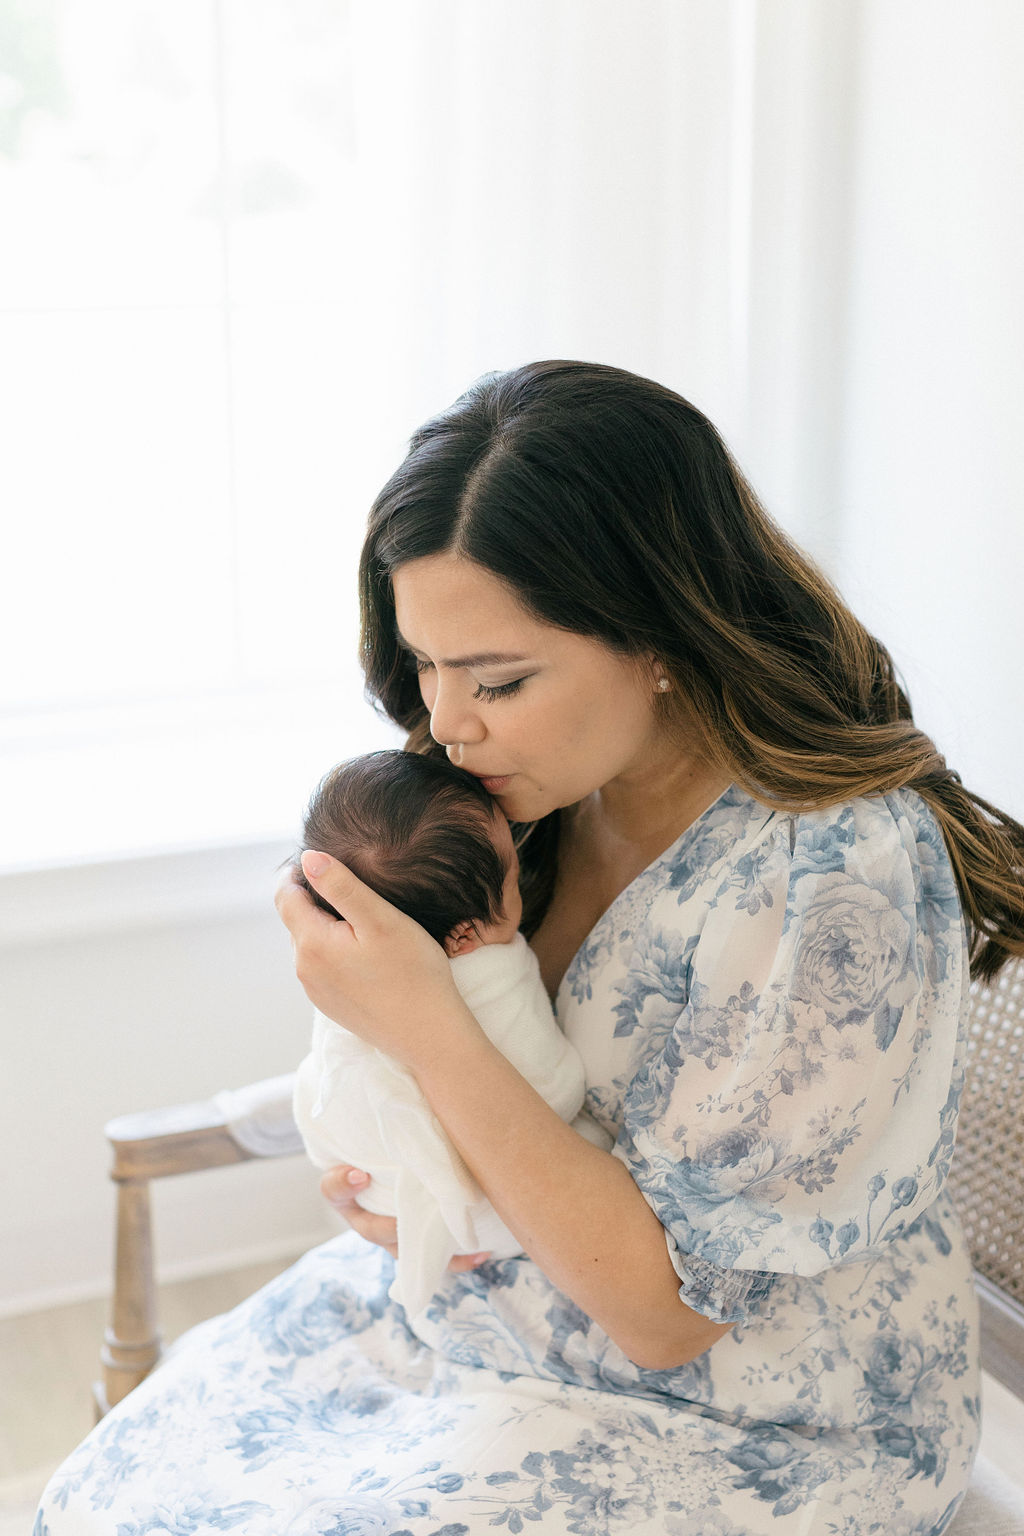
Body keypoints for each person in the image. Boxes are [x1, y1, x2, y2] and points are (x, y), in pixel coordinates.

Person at [38, 360, 1024, 1535]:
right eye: (425, 666)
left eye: (498, 678)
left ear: (658, 627)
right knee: (108, 1498)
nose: (447, 724)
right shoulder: (523, 792)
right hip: (474, 1322)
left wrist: (425, 1030)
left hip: (752, 1417)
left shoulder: (834, 873)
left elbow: (667, 1317)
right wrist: (390, 1161)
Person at [291, 748, 599, 1321]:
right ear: (462, 936)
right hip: (485, 1218)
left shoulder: (345, 959)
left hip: (383, 1189)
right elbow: (554, 1090)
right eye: (510, 877)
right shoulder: (493, 972)